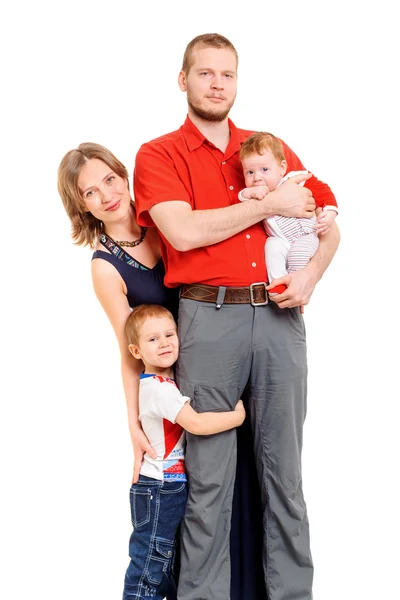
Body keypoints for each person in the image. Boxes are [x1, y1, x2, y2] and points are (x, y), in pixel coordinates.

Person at [133, 33, 341, 600]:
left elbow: (326, 221)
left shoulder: (267, 145)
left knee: (285, 478)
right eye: (205, 73)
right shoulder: (159, 154)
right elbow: (182, 230)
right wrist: (270, 204)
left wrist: (311, 274)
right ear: (184, 80)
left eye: (227, 74)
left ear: (236, 81)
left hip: (278, 319)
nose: (217, 83)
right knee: (209, 484)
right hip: (208, 318)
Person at [57, 143, 180, 599]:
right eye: (90, 192)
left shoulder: (163, 220)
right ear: (82, 206)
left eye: (109, 179)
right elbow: (129, 352)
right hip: (169, 393)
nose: (106, 195)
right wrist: (135, 426)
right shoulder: (105, 267)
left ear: (123, 176)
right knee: (164, 538)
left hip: (214, 368)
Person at [122, 304, 245, 600]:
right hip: (158, 488)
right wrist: (237, 416)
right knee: (150, 566)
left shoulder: (165, 381)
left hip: (168, 487)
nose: (164, 342)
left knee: (165, 564)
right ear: (136, 352)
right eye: (152, 339)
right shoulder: (159, 389)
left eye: (169, 334)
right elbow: (197, 423)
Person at [238, 131, 339, 294]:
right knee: (271, 250)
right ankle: (278, 284)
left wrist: (330, 211)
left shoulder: (295, 179)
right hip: (279, 238)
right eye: (250, 172)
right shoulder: (253, 191)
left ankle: (295, 288)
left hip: (305, 235)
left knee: (298, 257)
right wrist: (250, 193)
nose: (256, 177)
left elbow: (322, 189)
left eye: (264, 169)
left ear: (282, 168)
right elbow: (241, 197)